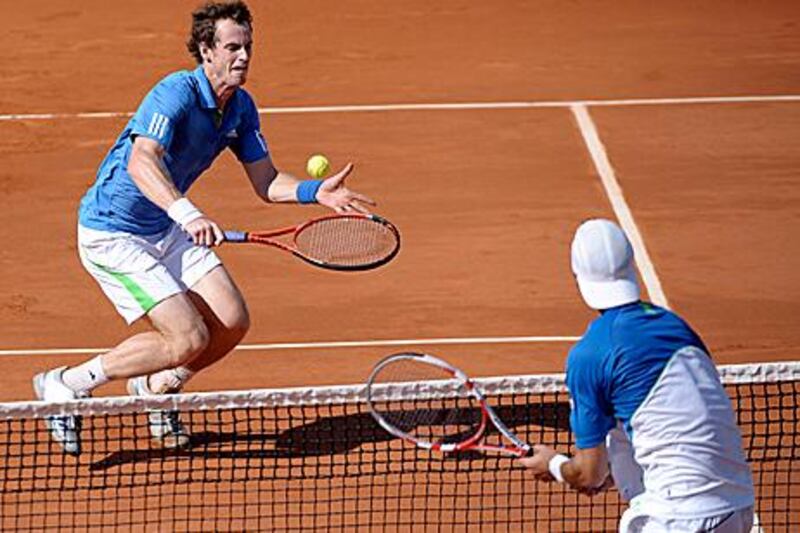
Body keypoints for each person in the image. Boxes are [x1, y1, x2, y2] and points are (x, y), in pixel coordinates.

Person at [33, 0, 374, 456]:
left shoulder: (240, 109)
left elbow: (267, 182)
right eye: (233, 47)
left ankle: (157, 389)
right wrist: (188, 214)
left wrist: (316, 193)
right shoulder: (174, 93)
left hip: (164, 225)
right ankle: (66, 385)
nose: (244, 56)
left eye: (248, 46)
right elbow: (142, 160)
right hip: (113, 233)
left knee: (232, 321)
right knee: (187, 336)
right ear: (205, 50)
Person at [519, 219, 755, 532]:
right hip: (737, 508)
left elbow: (589, 474)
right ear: (632, 264)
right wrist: (608, 471)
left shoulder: (590, 355)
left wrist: (555, 465)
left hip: (677, 518)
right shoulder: (678, 329)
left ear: (579, 276)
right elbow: (671, 423)